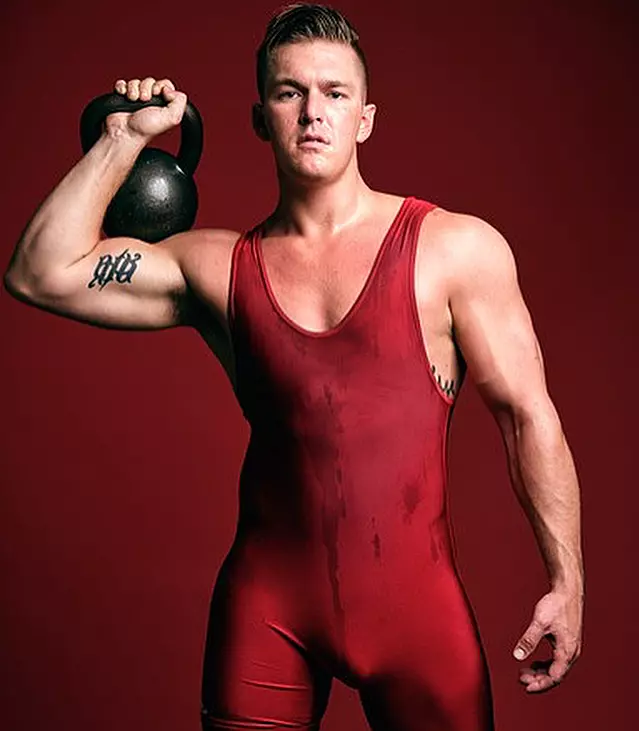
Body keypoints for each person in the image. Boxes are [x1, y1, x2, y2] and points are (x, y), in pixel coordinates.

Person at [4, 3, 584, 730]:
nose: (313, 112)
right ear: (260, 118)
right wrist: (123, 140)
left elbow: (527, 416)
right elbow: (39, 272)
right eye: (289, 92)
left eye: (334, 93)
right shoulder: (214, 268)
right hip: (267, 612)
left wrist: (567, 580)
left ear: (364, 119)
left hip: (418, 619)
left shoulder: (454, 251)